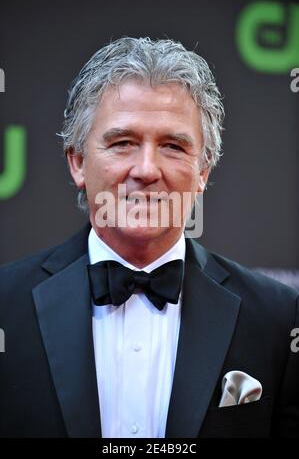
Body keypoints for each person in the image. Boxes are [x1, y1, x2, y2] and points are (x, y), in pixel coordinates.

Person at [0, 37, 298, 438]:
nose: (146, 169)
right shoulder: (5, 304)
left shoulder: (278, 318)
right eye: (122, 143)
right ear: (77, 162)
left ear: (203, 172)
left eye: (173, 146)